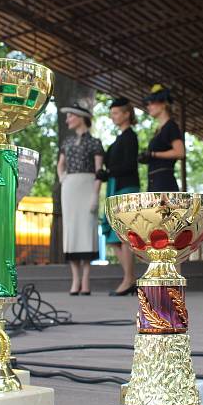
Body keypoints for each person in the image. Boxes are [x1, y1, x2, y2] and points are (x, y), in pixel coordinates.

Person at [57, 103, 104, 295]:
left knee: (86, 231)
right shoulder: (66, 142)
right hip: (70, 188)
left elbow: (99, 171)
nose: (67, 120)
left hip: (88, 185)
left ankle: (86, 279)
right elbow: (60, 165)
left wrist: (95, 194)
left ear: (80, 117)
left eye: (70, 116)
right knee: (72, 231)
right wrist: (63, 179)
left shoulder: (95, 142)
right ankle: (75, 279)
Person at [98, 97, 139, 296]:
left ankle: (128, 279)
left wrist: (109, 172)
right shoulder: (118, 139)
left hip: (126, 188)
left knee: (124, 236)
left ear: (126, 114)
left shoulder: (131, 136)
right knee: (113, 238)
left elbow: (130, 165)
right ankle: (129, 278)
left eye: (115, 113)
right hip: (115, 187)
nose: (112, 116)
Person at [137, 84, 185, 192]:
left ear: (163, 104)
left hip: (164, 182)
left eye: (152, 103)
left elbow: (180, 152)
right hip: (154, 180)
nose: (148, 107)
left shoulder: (171, 126)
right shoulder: (158, 130)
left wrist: (153, 154)